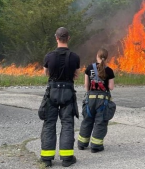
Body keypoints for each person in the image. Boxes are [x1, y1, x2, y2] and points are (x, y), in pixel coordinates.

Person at [40, 27, 80, 167]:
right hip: (68, 93)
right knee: (67, 124)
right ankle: (67, 158)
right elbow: (76, 75)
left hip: (52, 93)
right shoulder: (75, 57)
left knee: (49, 123)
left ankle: (47, 159)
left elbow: (46, 73)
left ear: (56, 38)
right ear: (68, 38)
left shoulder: (49, 56)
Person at [77, 48, 115, 153]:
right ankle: (96, 146)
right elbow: (111, 87)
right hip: (103, 101)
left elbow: (86, 86)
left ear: (96, 56)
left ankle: (82, 144)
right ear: (106, 58)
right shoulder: (109, 70)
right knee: (100, 122)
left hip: (90, 100)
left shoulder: (89, 68)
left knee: (87, 120)